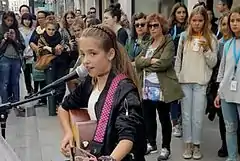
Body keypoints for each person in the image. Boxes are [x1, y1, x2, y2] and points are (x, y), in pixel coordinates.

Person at [58, 24, 146, 161]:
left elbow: (127, 137)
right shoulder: (90, 82)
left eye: (93, 53)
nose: (86, 61)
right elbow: (63, 107)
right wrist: (68, 133)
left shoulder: (125, 90)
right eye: (82, 54)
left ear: (110, 54)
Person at [135, 13, 184, 160]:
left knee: (164, 118)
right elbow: (137, 62)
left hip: (162, 88)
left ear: (162, 26)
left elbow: (165, 63)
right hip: (146, 87)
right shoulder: (148, 42)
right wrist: (150, 61)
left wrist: (146, 63)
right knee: (148, 118)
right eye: (150, 26)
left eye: (155, 25)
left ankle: (166, 147)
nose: (152, 28)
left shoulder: (168, 42)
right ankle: (152, 143)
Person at [174, 6, 218, 160]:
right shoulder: (184, 37)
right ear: (190, 21)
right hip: (185, 82)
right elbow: (178, 59)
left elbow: (213, 63)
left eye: (200, 20)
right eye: (194, 20)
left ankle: (197, 144)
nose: (197, 23)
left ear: (205, 21)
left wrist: (206, 49)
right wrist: (177, 78)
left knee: (198, 116)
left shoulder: (211, 38)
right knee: (186, 116)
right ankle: (188, 143)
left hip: (200, 83)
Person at [214, 6, 240, 161]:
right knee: (230, 128)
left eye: (238, 20)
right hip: (226, 93)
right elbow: (222, 71)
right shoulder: (228, 44)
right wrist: (218, 92)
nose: (235, 24)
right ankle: (232, 157)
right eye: (232, 21)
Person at [168, 2, 188, 138]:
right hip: (173, 65)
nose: (181, 15)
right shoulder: (170, 29)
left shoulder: (189, 28)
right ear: (174, 14)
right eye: (179, 12)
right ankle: (175, 123)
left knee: (184, 95)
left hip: (187, 65)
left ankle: (182, 120)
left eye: (183, 12)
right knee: (174, 96)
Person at [38, 21, 67, 115]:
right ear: (45, 29)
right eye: (49, 29)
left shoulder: (60, 37)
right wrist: (47, 48)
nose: (51, 31)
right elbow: (39, 51)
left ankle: (58, 103)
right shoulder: (42, 38)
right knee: (51, 85)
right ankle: (52, 108)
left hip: (61, 62)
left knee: (61, 85)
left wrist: (61, 48)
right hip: (49, 63)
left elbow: (65, 48)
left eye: (53, 29)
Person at [0, 11, 25, 112]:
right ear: (4, 20)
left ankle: (16, 102)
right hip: (4, 58)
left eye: (11, 20)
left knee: (15, 82)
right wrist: (4, 39)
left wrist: (15, 39)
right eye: (7, 20)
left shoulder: (17, 31)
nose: (9, 22)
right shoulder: (1, 30)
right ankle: (5, 104)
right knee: (4, 82)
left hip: (15, 59)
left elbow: (22, 46)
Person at [29, 10, 47, 106]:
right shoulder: (37, 30)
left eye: (42, 17)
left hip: (47, 58)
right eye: (38, 18)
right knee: (39, 79)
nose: (40, 20)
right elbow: (31, 41)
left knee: (47, 80)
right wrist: (34, 47)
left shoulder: (49, 29)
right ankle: (42, 98)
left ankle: (49, 100)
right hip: (38, 58)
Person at [19, 13, 35, 98]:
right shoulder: (19, 30)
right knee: (26, 73)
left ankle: (36, 90)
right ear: (22, 20)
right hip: (24, 56)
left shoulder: (34, 30)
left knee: (35, 73)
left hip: (33, 54)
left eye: (29, 20)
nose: (27, 21)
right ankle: (29, 90)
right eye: (25, 19)